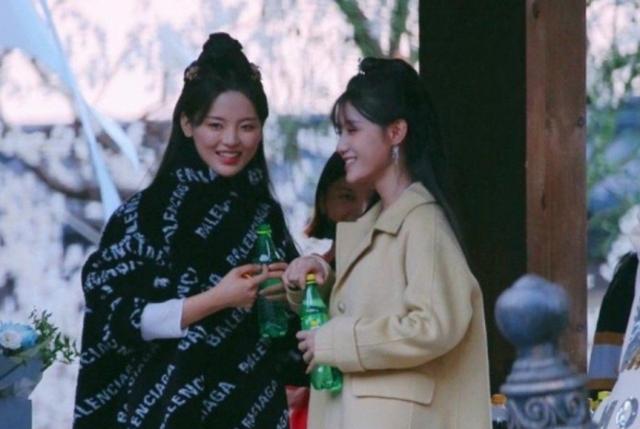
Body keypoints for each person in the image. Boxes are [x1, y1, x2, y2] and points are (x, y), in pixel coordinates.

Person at [73, 33, 304, 429]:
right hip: (162, 411)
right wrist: (216, 299)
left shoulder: (263, 214)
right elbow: (116, 319)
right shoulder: (145, 215)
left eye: (247, 126)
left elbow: (287, 339)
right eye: (215, 125)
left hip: (252, 408)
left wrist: (291, 295)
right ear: (187, 123)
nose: (231, 140)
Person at [283, 58, 491, 429]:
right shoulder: (378, 223)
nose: (341, 146)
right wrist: (317, 284)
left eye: (352, 130)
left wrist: (336, 342)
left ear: (395, 132)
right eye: (340, 132)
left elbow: (434, 325)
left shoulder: (423, 222)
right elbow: (370, 309)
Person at [287, 152, 370, 429]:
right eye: (346, 196)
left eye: (371, 199)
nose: (360, 210)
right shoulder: (308, 274)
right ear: (323, 202)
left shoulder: (389, 269)